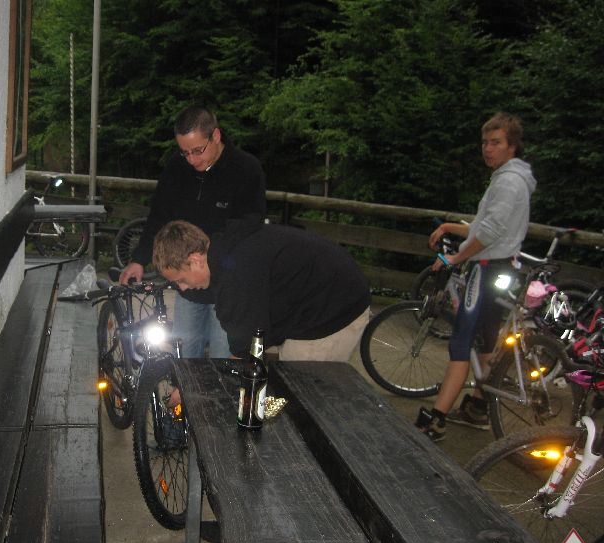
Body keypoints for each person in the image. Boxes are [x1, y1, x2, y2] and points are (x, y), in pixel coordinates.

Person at [416, 112, 536, 442]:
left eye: (495, 142)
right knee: (485, 339)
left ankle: (435, 421)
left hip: (487, 268)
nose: (488, 148)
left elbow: (491, 232)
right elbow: (485, 226)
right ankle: (479, 407)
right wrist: (450, 227)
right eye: (484, 142)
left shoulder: (508, 182)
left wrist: (457, 257)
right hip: (500, 267)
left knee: (461, 341)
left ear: (512, 146)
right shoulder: (510, 178)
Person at [119, 107, 266, 359]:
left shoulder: (246, 169)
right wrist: (139, 258)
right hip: (187, 286)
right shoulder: (176, 168)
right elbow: (159, 217)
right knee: (185, 355)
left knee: (223, 358)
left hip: (227, 286)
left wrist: (214, 260)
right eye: (185, 152)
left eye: (198, 150)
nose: (192, 160)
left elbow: (250, 227)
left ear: (215, 136)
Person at [152, 219, 371, 360]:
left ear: (195, 260)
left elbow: (244, 350)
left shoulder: (237, 273)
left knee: (299, 390)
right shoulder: (222, 252)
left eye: (181, 280)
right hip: (311, 298)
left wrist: (198, 384)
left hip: (334, 309)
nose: (182, 288)